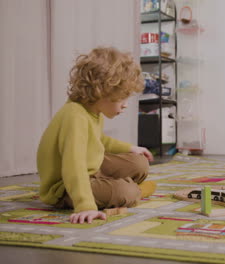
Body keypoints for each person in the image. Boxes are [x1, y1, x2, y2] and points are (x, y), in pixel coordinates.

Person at [37, 47, 157, 224]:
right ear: (102, 92)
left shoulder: (91, 111)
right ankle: (135, 191)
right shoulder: (75, 116)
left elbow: (99, 140)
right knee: (126, 192)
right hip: (64, 187)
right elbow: (73, 165)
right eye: (122, 98)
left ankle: (114, 186)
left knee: (140, 163)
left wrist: (132, 148)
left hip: (91, 169)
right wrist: (85, 206)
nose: (125, 105)